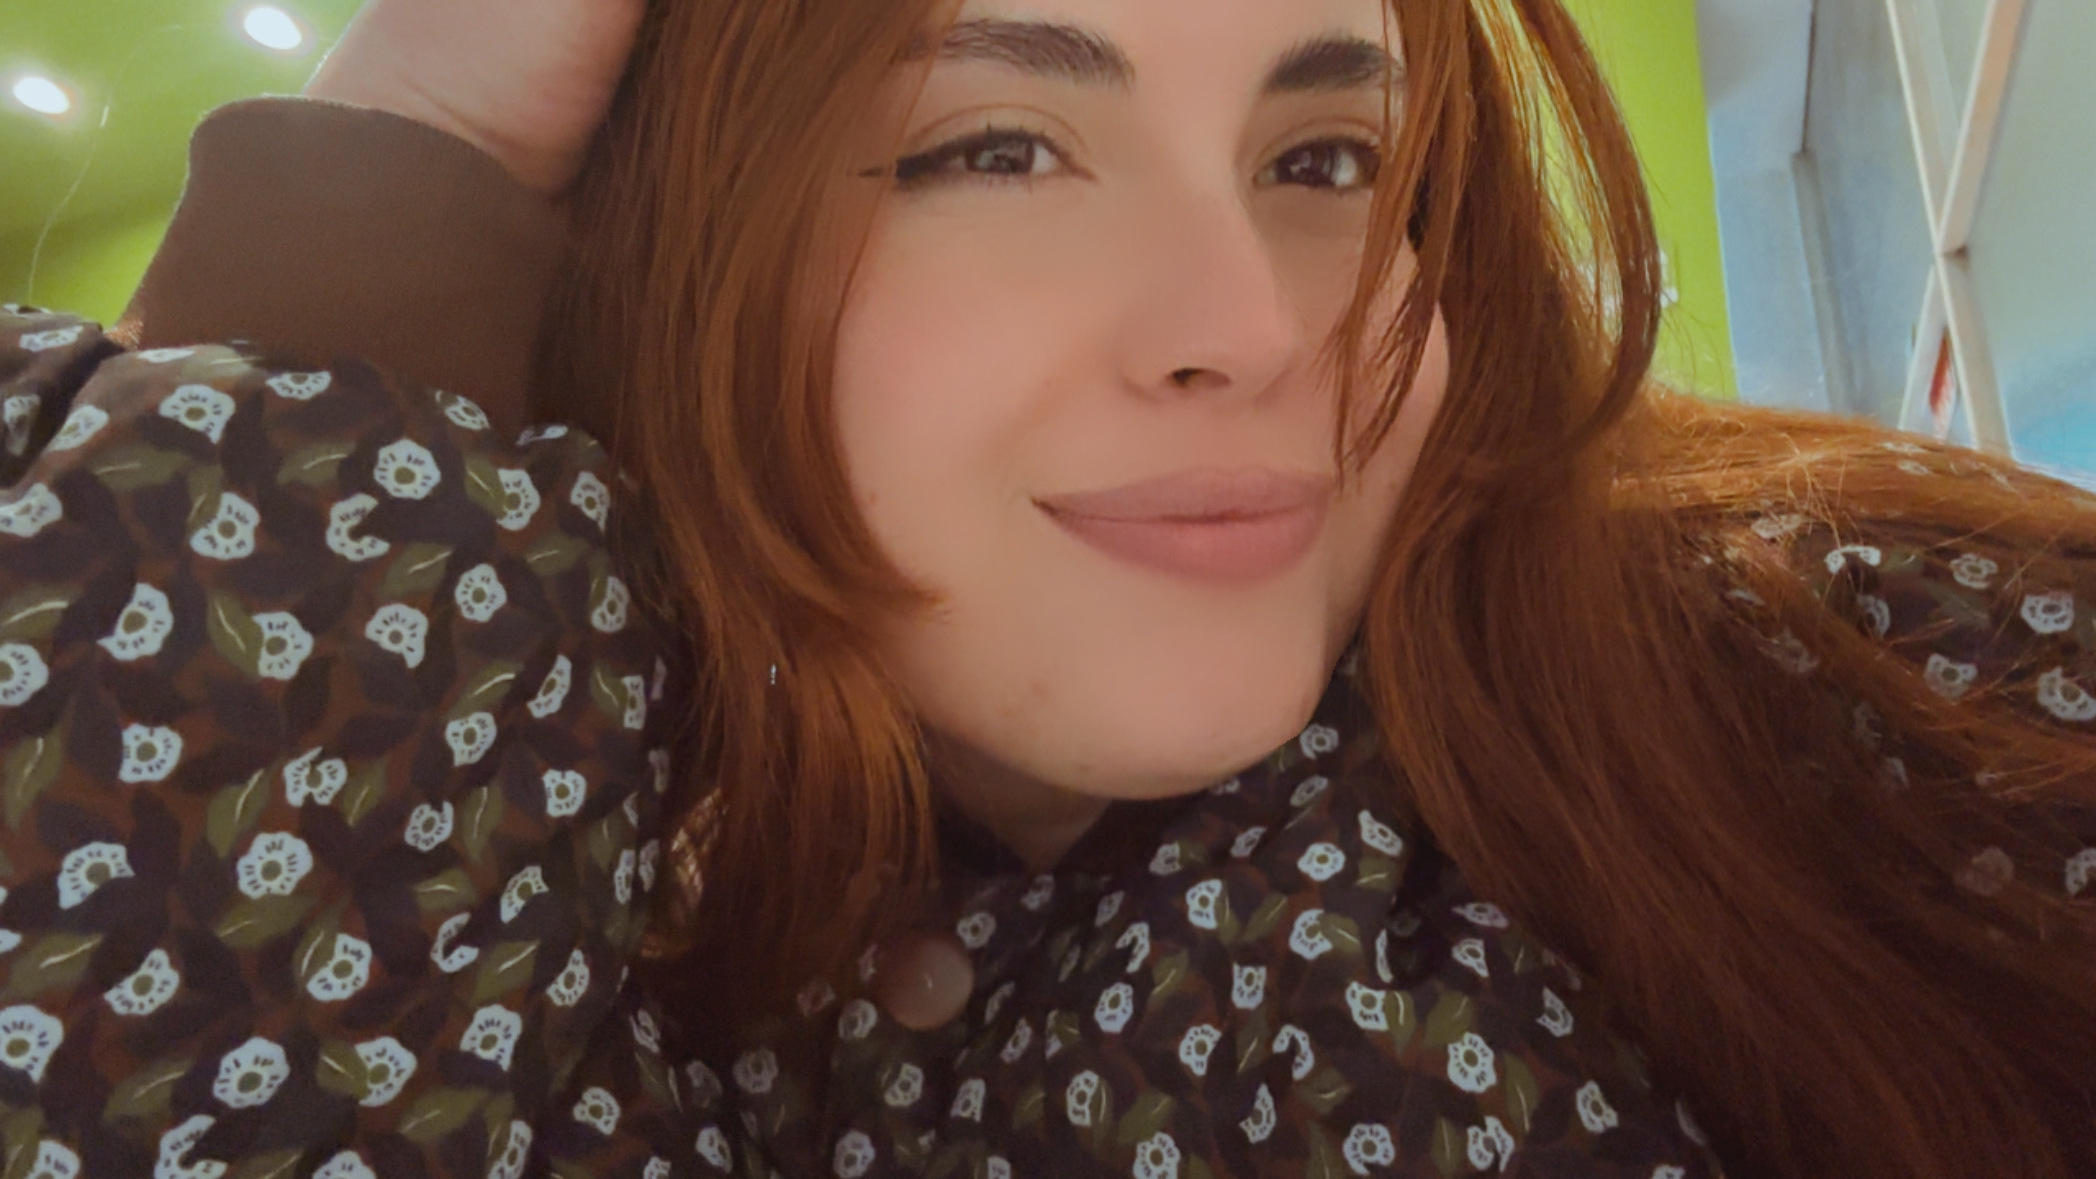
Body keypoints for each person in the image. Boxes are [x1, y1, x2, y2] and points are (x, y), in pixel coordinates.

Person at [2, 0, 2092, 1176]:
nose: (1247, 326)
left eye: (1324, 162)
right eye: (993, 149)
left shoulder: (1847, 667)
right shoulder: (536, 918)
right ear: (663, 253)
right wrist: (407, 150)